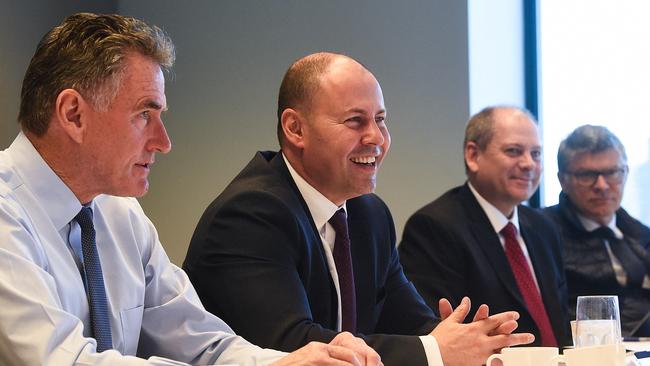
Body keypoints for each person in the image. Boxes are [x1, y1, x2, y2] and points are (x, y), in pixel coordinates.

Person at [0, 13, 382, 366]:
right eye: (144, 115)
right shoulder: (6, 210)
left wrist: (285, 362)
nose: (163, 141)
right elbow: (62, 360)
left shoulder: (119, 212)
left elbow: (202, 342)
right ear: (73, 114)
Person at [183, 53, 534, 366]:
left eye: (380, 119)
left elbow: (411, 323)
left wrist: (463, 342)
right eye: (355, 121)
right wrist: (435, 351)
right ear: (295, 128)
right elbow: (290, 345)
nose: (376, 138)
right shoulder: (251, 214)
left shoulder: (369, 214)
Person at [399, 106, 572, 347]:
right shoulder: (435, 227)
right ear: (473, 155)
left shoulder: (545, 228)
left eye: (537, 154)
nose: (528, 164)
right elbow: (435, 333)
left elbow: (561, 323)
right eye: (514, 151)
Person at [543, 125, 650, 336]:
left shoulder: (640, 234)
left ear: (626, 173)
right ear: (563, 180)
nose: (601, 185)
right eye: (586, 175)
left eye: (612, 172)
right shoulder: (540, 233)